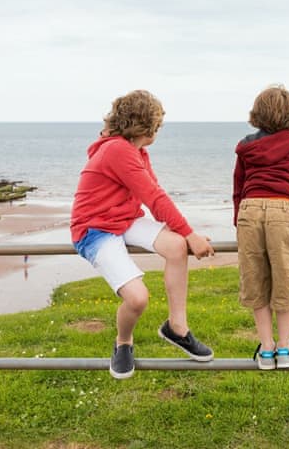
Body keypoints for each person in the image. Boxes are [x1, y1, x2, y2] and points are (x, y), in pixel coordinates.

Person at [70, 90, 215, 379]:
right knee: (137, 299)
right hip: (94, 228)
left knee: (175, 246)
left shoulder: (137, 152)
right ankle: (123, 342)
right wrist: (192, 233)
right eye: (157, 126)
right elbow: (155, 198)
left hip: (123, 219)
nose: (158, 132)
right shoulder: (117, 150)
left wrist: (184, 236)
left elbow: (153, 193)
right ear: (146, 126)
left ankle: (177, 328)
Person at [233, 85, 289, 370]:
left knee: (255, 278)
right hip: (285, 210)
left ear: (257, 114)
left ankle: (266, 348)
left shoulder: (246, 145)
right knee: (284, 279)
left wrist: (239, 219)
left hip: (251, 209)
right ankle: (285, 348)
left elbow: (238, 187)